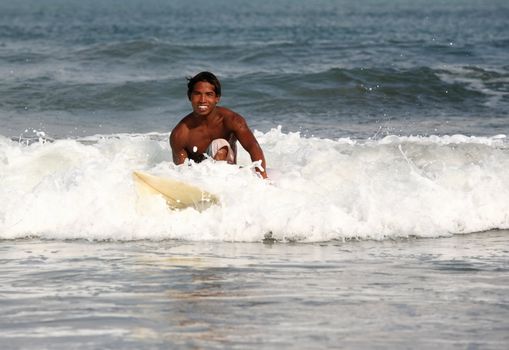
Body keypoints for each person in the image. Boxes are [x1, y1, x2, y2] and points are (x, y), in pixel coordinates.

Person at [170, 71, 268, 179]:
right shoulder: (180, 134)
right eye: (197, 94)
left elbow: (253, 148)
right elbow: (180, 171)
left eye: (209, 94)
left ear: (217, 98)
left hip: (229, 177)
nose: (202, 100)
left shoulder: (232, 121)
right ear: (190, 97)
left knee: (220, 144)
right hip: (200, 180)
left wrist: (263, 179)